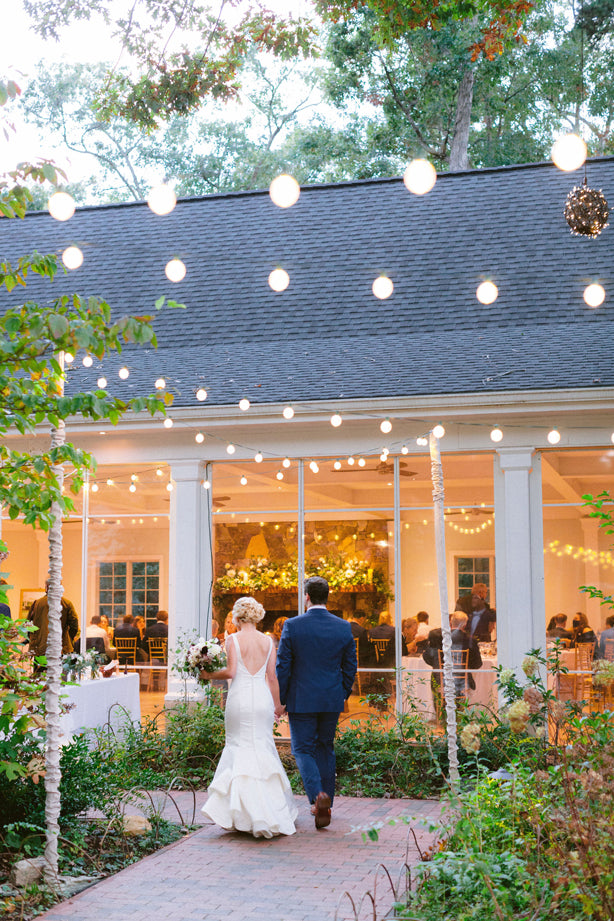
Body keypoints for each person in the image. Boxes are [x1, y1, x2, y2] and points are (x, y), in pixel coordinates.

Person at [201, 596, 297, 838]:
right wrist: (278, 705)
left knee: (237, 747)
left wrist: (208, 674)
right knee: (262, 747)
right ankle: (269, 811)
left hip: (240, 699)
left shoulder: (232, 639)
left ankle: (241, 813)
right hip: (262, 699)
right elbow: (272, 677)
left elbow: (231, 671)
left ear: (237, 616)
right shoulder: (268, 641)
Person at [276, 575, 357, 830]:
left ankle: (316, 797)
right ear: (327, 596)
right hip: (330, 698)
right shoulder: (344, 627)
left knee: (302, 749)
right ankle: (327, 802)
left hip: (301, 698)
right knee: (325, 747)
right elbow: (350, 666)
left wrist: (283, 697)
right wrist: (341, 693)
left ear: (307, 597)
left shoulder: (293, 625)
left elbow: (283, 665)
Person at [27, 579, 79, 660]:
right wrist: (68, 639)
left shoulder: (36, 604)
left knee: (40, 672)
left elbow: (28, 626)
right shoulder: (67, 603)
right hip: (61, 648)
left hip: (40, 649)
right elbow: (74, 626)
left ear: (46, 587)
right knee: (60, 672)